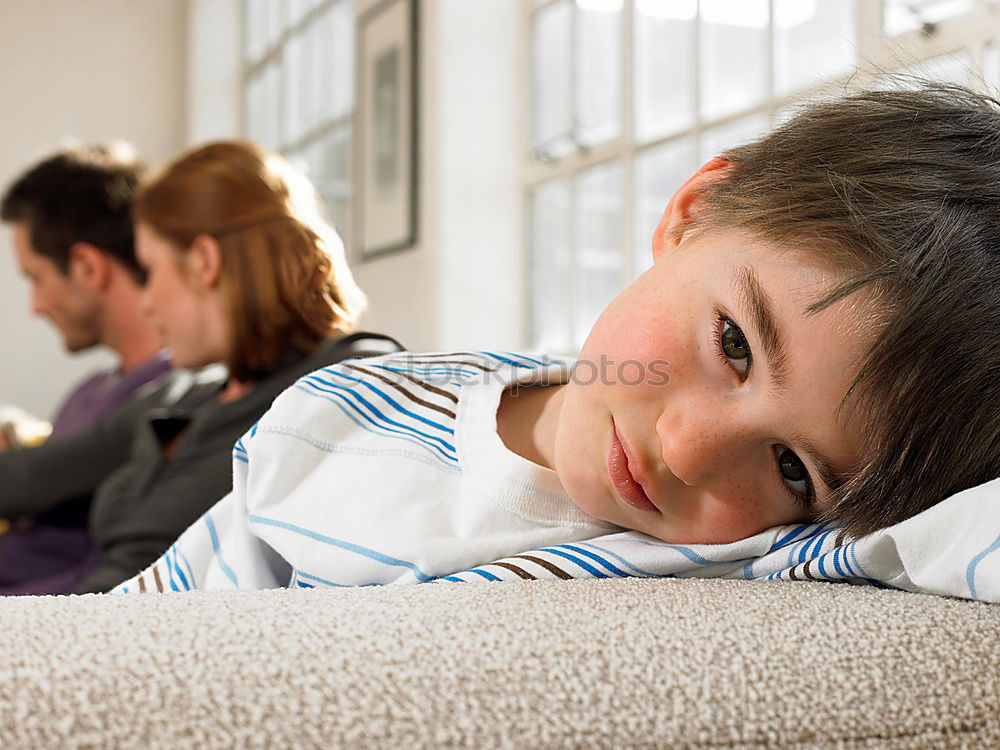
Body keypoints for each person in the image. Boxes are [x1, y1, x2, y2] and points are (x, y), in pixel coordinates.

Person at [115, 82, 999, 594]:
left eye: (793, 468)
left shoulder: (774, 547)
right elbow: (145, 621)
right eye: (733, 343)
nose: (689, 453)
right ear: (692, 215)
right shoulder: (342, 413)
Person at [4, 141, 402, 595]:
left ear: (205, 263)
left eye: (151, 271)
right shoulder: (184, 396)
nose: (147, 301)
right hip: (80, 622)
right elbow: (30, 475)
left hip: (133, 640)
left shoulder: (349, 378)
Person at [0, 144, 172, 590]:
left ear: (87, 266)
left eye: (37, 279)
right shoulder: (91, 389)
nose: (35, 306)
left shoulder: (172, 396)